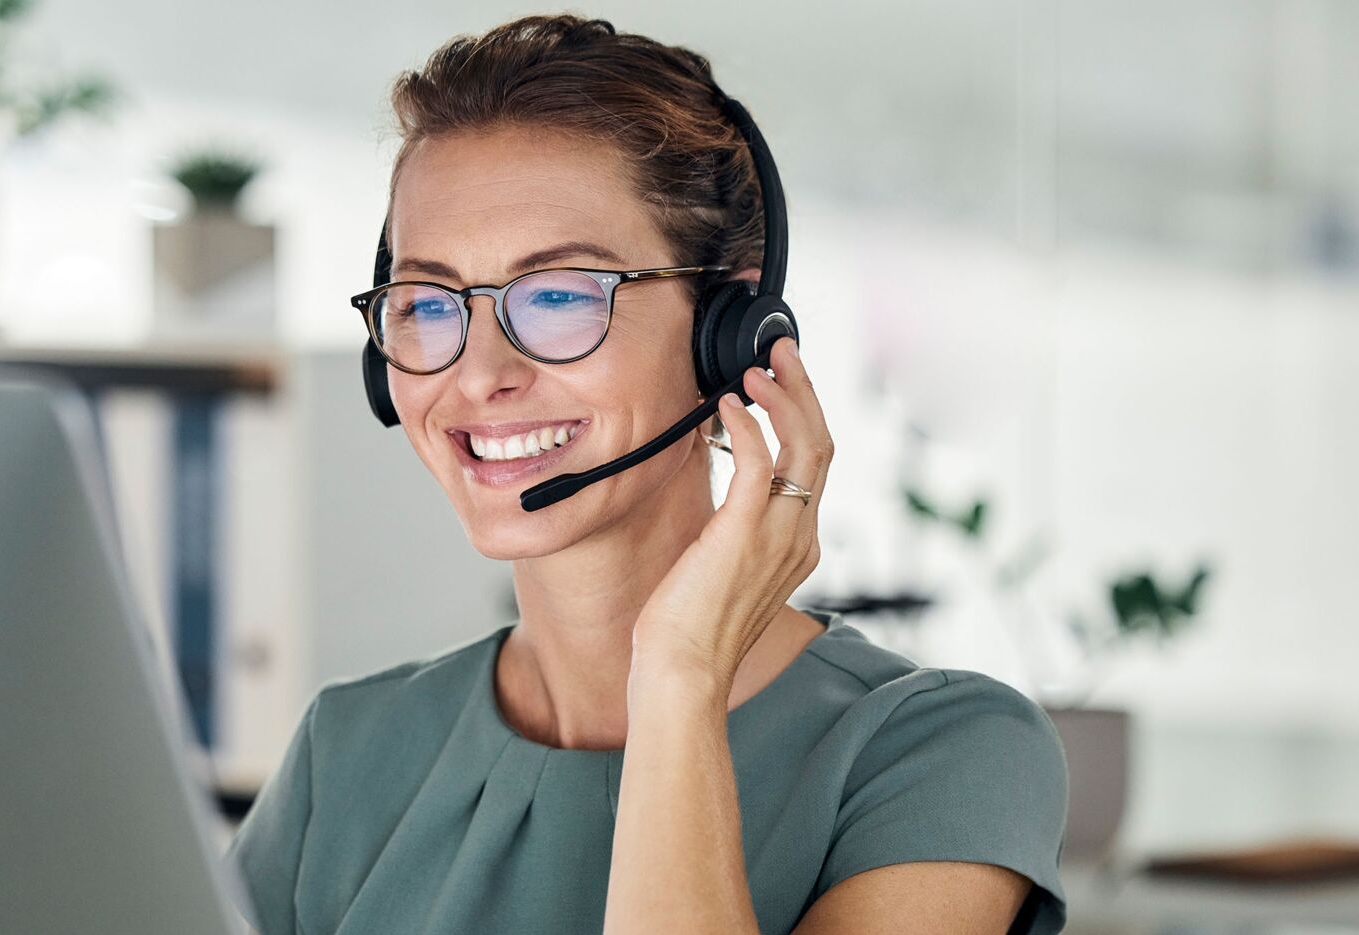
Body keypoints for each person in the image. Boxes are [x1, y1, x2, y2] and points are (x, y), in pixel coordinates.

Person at [227, 14, 1068, 935]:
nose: (478, 375)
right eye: (429, 302)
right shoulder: (346, 755)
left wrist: (677, 676)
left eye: (557, 296)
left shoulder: (937, 753)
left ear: (729, 330)